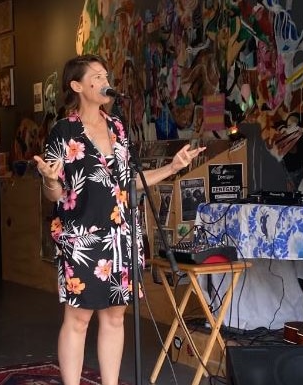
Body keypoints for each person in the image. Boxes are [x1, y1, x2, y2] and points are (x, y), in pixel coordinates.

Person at [32, 54, 206, 385]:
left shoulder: (117, 127)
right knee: (78, 318)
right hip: (81, 237)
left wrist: (172, 167)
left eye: (105, 74)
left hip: (121, 236)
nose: (104, 79)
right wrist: (52, 180)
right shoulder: (64, 131)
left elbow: (128, 180)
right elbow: (53, 194)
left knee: (114, 317)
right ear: (77, 86)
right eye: (96, 75)